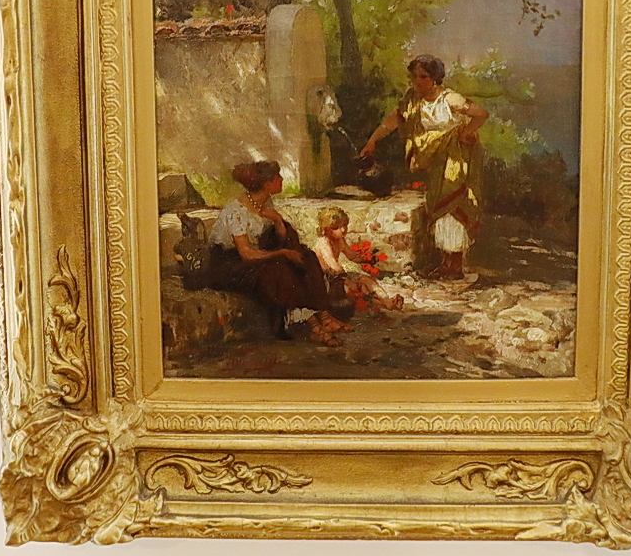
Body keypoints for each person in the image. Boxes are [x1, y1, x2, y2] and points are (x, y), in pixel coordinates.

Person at [359, 55, 488, 281]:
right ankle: (446, 264)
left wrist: (465, 133)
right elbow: (391, 122)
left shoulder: (450, 99)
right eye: (415, 77)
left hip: (456, 161)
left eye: (424, 77)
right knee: (437, 205)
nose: (418, 81)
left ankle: (455, 265)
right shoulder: (412, 100)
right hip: (436, 162)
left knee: (453, 204)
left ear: (435, 77)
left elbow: (481, 114)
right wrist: (372, 141)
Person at [202, 160, 346, 346]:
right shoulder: (236, 212)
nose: (282, 179)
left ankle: (325, 317)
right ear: (267, 183)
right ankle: (313, 327)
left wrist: (278, 221)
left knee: (306, 257)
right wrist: (282, 253)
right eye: (278, 177)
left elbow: (278, 238)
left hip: (257, 254)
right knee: (280, 271)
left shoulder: (265, 202)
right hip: (231, 264)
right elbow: (246, 254)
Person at [313, 207, 403, 312]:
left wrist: (368, 258)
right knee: (359, 289)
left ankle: (387, 301)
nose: (343, 230)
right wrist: (349, 282)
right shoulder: (324, 243)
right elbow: (334, 267)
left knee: (365, 279)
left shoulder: (339, 240)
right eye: (336, 228)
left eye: (344, 225)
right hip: (324, 279)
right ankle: (385, 304)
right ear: (326, 229)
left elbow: (351, 256)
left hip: (336, 276)